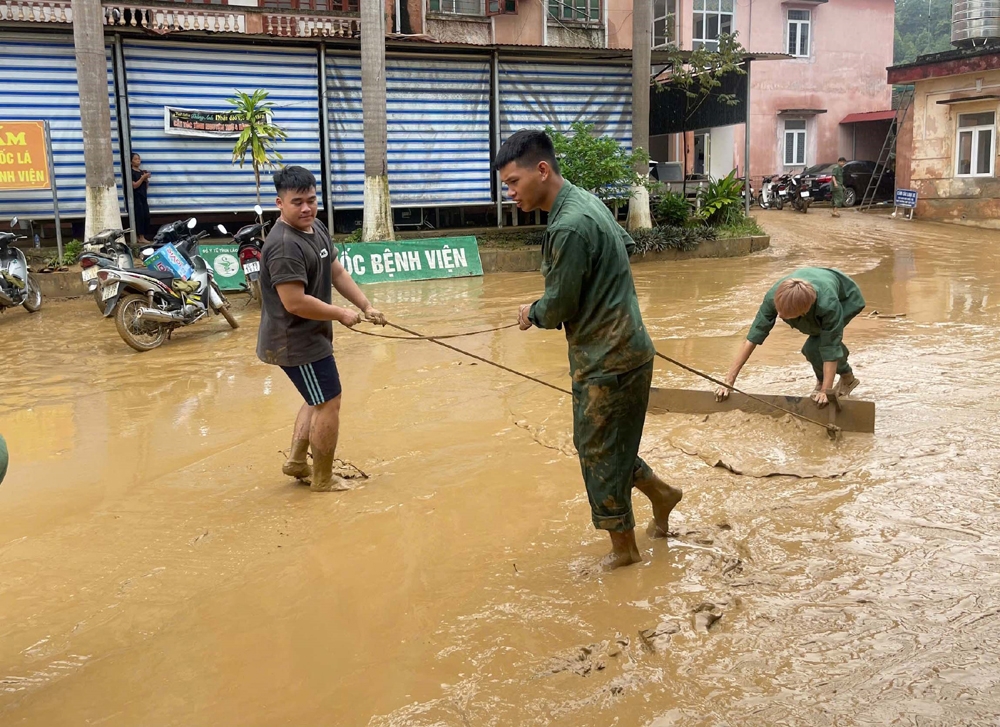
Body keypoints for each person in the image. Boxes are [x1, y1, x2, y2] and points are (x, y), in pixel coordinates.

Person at [495, 129, 683, 571]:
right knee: (601, 443)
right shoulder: (586, 201)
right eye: (506, 185)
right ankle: (662, 493)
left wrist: (531, 312)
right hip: (629, 349)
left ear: (542, 171)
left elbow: (559, 304)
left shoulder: (567, 225)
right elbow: (627, 246)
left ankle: (624, 552)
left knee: (598, 453)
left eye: (513, 182)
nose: (510, 193)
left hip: (607, 361)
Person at [257, 166, 387, 492]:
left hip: (307, 336)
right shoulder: (285, 245)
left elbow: (336, 272)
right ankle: (323, 480)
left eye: (312, 200)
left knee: (316, 398)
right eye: (297, 202)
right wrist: (340, 313)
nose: (306, 208)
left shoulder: (315, 228)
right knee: (330, 401)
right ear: (279, 203)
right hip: (295, 340)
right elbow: (295, 302)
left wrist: (365, 306)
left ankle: (297, 462)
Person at [716, 268, 865, 407]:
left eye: (786, 314)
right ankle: (822, 380)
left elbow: (830, 347)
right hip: (812, 291)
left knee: (815, 346)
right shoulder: (773, 297)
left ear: (804, 311)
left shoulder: (828, 305)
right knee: (813, 347)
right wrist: (728, 381)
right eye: (779, 311)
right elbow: (752, 339)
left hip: (846, 299)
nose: (780, 316)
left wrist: (826, 391)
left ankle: (846, 378)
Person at [130, 153, 153, 243]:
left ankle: (143, 235)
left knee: (145, 216)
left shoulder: (141, 172)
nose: (138, 161)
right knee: (139, 217)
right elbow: (134, 186)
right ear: (131, 161)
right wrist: (142, 178)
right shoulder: (131, 172)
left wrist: (146, 180)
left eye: (139, 159)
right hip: (136, 197)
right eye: (136, 159)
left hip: (143, 197)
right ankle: (140, 236)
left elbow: (146, 187)